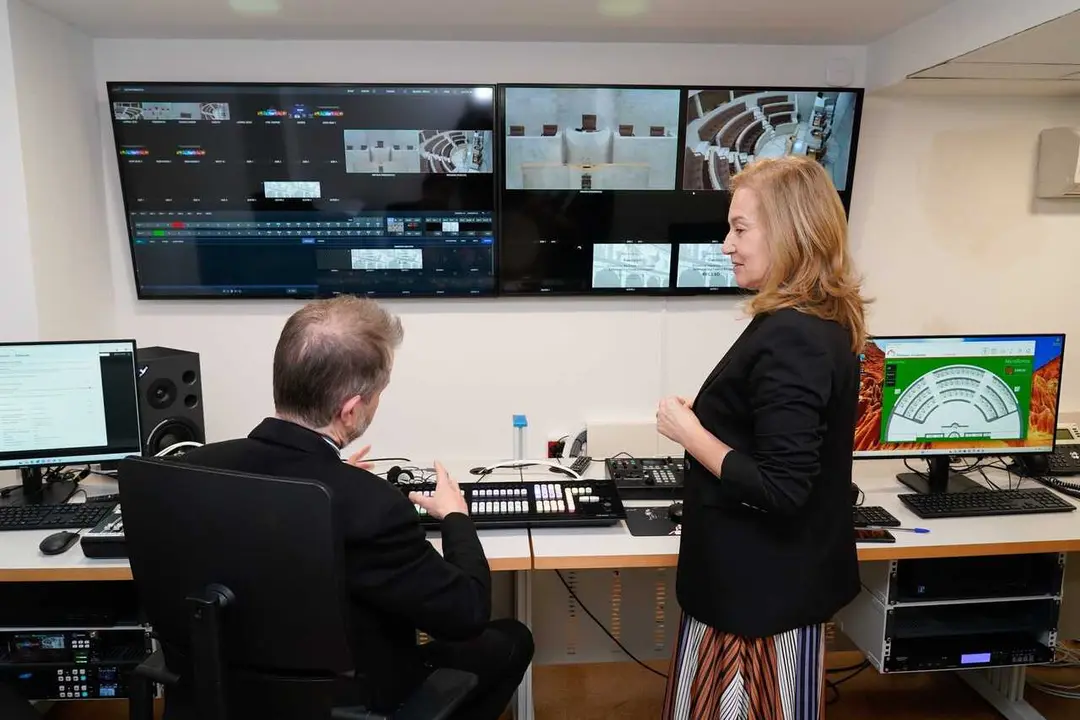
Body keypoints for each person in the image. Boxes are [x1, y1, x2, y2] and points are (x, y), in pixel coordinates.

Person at [177, 296, 533, 719]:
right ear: (350, 410)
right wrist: (456, 516)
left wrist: (334, 474)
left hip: (224, 694)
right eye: (378, 394)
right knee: (511, 640)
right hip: (349, 702)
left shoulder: (190, 471)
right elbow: (466, 615)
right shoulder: (373, 506)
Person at [656, 156, 868, 720]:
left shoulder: (794, 336)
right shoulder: (811, 321)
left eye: (741, 229)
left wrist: (690, 432)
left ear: (791, 233)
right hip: (766, 587)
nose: (727, 244)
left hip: (757, 599)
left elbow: (781, 487)